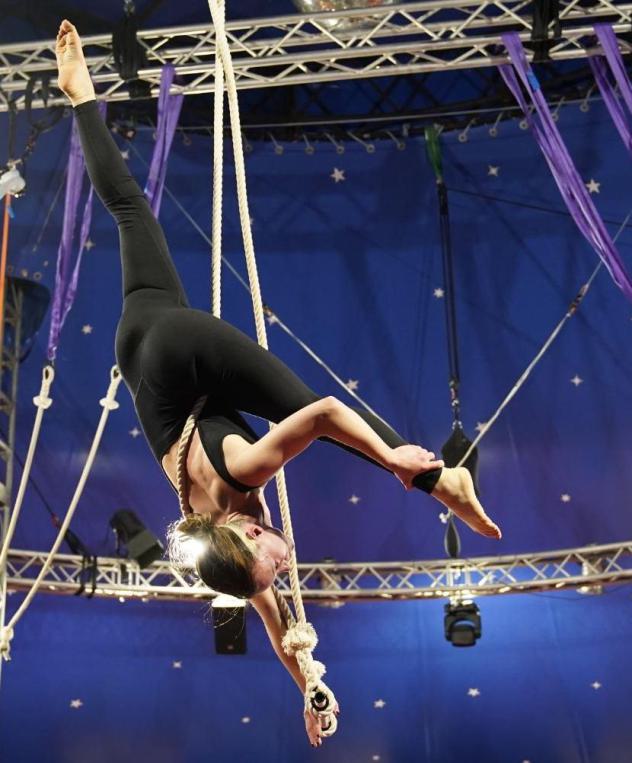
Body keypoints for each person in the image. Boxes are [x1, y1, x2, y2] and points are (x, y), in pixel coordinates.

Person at [55, 19, 501, 746]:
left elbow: (323, 413)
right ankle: (81, 96)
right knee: (130, 209)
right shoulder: (223, 552)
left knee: (307, 406)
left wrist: (394, 460)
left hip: (180, 356)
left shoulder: (242, 473)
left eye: (272, 552)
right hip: (138, 343)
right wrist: (309, 685)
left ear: (245, 531)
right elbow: (274, 619)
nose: (284, 559)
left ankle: (436, 481)